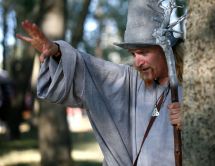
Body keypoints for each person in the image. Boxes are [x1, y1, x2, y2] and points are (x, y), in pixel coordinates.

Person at [16, 0, 183, 165]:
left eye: (143, 52)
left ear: (165, 49)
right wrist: (58, 53)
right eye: (133, 54)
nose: (137, 62)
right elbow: (90, 70)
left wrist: (192, 120)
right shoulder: (132, 81)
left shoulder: (196, 86)